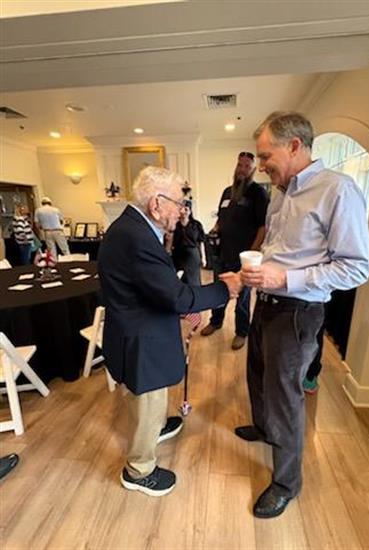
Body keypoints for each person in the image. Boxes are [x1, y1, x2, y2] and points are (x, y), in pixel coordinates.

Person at [236, 111, 369, 519]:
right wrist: (256, 272)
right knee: (257, 374)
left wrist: (285, 278)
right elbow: (278, 248)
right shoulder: (280, 193)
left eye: (265, 156)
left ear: (294, 146)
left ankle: (286, 483)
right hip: (266, 302)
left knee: (285, 398)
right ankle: (264, 429)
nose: (261, 166)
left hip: (298, 312)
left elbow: (356, 268)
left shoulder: (338, 190)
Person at [98, 166, 240, 497]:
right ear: (156, 204)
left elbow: (154, 286)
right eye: (178, 203)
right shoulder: (136, 237)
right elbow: (177, 297)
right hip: (140, 339)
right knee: (147, 401)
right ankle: (139, 470)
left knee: (150, 399)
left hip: (136, 329)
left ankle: (158, 428)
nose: (182, 211)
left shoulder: (132, 227)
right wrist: (225, 289)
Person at [200, 151, 269, 350]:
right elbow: (221, 218)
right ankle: (216, 321)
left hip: (244, 258)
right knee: (219, 289)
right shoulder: (227, 192)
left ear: (253, 170)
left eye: (247, 166)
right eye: (240, 165)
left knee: (242, 298)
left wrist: (252, 255)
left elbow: (263, 227)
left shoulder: (258, 193)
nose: (242, 170)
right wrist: (215, 229)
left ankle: (241, 331)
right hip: (222, 254)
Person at [169, 199, 206, 286]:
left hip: (192, 255)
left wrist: (203, 257)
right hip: (178, 254)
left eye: (186, 209)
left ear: (190, 211)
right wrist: (168, 252)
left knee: (193, 280)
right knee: (178, 279)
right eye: (182, 209)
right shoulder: (175, 224)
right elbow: (170, 239)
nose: (184, 212)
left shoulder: (196, 224)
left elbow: (201, 242)